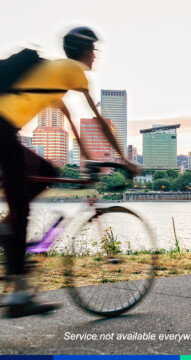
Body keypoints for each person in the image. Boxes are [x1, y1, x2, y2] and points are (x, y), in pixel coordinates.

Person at [0, 26, 139, 318]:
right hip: (2, 130)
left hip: (4, 132)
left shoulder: (55, 72)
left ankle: (11, 231)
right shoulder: (72, 71)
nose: (95, 56)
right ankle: (19, 295)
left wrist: (86, 156)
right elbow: (99, 121)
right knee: (20, 209)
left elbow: (65, 113)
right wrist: (125, 161)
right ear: (85, 50)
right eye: (94, 50)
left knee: (47, 171)